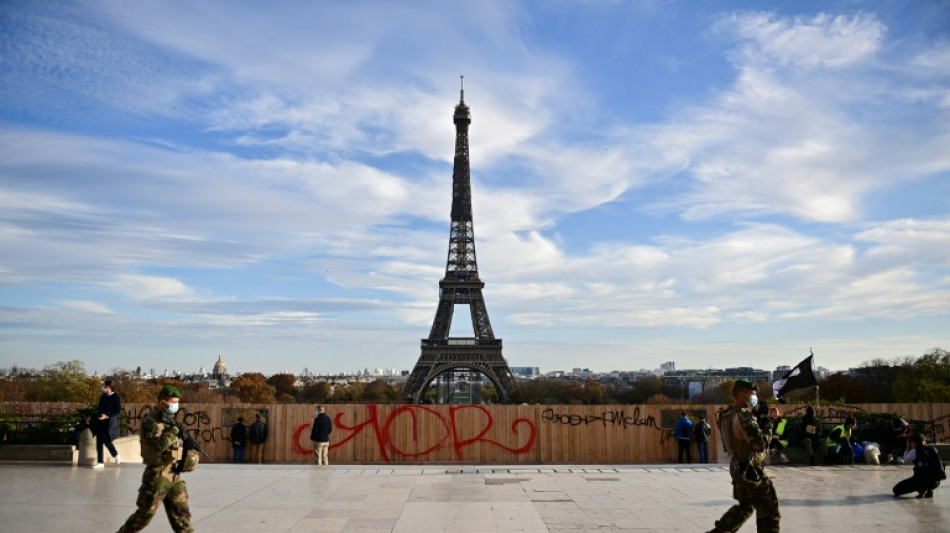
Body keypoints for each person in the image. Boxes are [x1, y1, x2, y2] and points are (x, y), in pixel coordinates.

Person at [706, 379, 780, 533]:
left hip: (738, 467)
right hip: (752, 470)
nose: (755, 398)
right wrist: (768, 427)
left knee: (745, 507)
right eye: (753, 394)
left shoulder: (726, 415)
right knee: (769, 509)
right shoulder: (743, 416)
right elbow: (760, 444)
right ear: (741, 395)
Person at [116, 385, 193, 533]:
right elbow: (160, 445)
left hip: (173, 473)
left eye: (177, 403)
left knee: (181, 513)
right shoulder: (150, 421)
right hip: (157, 474)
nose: (176, 406)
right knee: (144, 515)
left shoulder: (169, 421)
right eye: (173, 402)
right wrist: (174, 430)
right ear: (163, 402)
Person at [893, 433, 945, 498]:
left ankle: (921, 489)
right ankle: (929, 490)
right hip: (935, 481)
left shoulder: (914, 451)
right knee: (928, 472)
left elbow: (905, 459)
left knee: (896, 489)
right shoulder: (933, 449)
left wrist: (907, 449)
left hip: (920, 481)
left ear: (913, 442)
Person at [89, 379, 121, 469]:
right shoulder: (103, 396)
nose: (103, 388)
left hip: (109, 421)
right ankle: (100, 462)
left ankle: (115, 454)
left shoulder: (116, 396)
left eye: (105, 386)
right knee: (99, 440)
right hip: (100, 420)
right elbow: (99, 408)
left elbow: (117, 410)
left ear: (109, 387)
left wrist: (107, 416)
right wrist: (92, 417)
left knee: (106, 439)